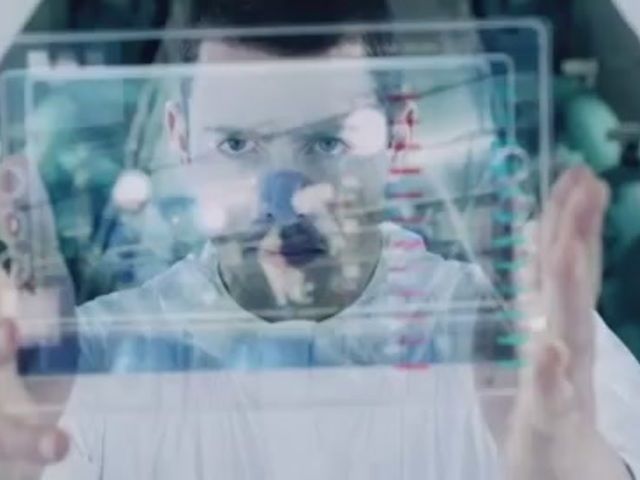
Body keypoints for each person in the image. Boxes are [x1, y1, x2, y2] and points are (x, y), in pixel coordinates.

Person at [1, 1, 640, 479]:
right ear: (180, 138)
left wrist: (566, 461)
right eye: (237, 145)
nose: (283, 200)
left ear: (400, 137)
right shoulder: (93, 366)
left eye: (328, 143)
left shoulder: (518, 345)